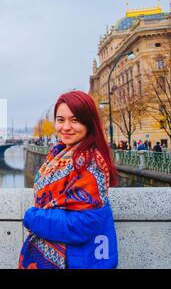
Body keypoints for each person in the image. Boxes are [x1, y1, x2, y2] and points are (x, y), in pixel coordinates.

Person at [18, 90, 118, 269]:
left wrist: (32, 217)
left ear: (89, 123)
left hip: (72, 259)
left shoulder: (89, 162)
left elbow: (81, 223)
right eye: (60, 120)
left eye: (75, 120)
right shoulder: (59, 154)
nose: (65, 127)